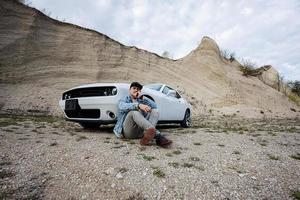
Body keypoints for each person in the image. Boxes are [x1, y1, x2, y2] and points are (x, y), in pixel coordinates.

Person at [113, 82, 172, 147]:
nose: (136, 90)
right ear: (129, 90)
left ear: (140, 91)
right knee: (133, 112)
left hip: (141, 132)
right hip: (128, 132)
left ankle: (147, 136)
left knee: (155, 111)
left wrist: (145, 99)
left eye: (138, 89)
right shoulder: (125, 99)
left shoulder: (142, 100)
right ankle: (158, 136)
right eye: (134, 88)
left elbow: (155, 106)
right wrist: (138, 105)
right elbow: (121, 106)